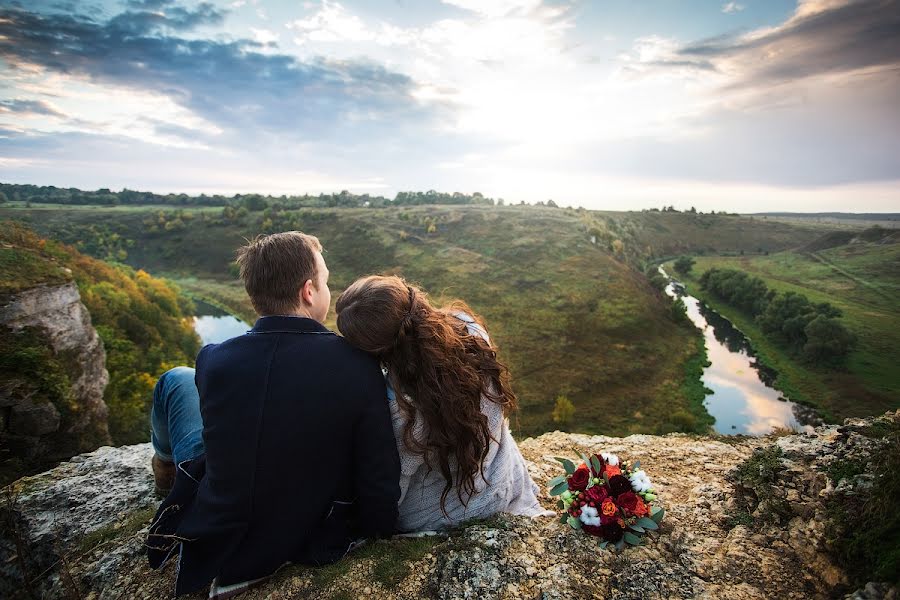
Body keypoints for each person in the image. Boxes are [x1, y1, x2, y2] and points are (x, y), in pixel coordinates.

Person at [146, 232, 400, 597]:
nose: (329, 290)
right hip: (306, 534)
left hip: (219, 536)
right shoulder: (357, 366)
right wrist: (380, 532)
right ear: (308, 291)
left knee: (175, 380)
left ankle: (166, 469)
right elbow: (379, 474)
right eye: (325, 281)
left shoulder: (214, 359)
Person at [335, 275, 551, 532]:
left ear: (377, 351)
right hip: (504, 479)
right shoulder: (470, 329)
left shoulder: (400, 405)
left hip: (445, 513)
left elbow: (395, 481)